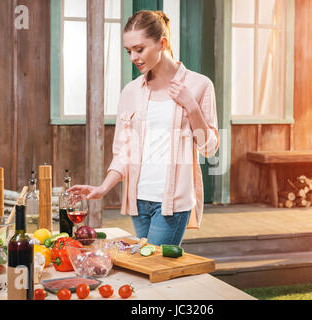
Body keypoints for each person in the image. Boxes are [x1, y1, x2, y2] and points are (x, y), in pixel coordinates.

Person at [68, 10, 219, 246]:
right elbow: (123, 152)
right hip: (139, 201)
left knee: (155, 266)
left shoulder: (199, 85)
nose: (133, 57)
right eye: (129, 51)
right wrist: (102, 188)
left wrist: (191, 106)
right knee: (147, 273)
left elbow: (209, 148)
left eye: (139, 49)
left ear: (162, 43)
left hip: (172, 203)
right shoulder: (131, 92)